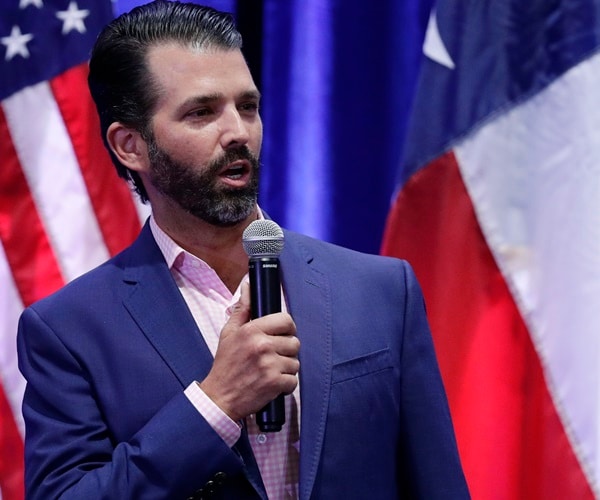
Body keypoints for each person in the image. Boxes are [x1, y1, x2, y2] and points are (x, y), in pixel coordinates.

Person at [16, 1, 469, 498]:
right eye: (202, 112)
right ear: (130, 146)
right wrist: (216, 404)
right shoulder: (68, 331)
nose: (238, 132)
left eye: (247, 106)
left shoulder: (381, 290)